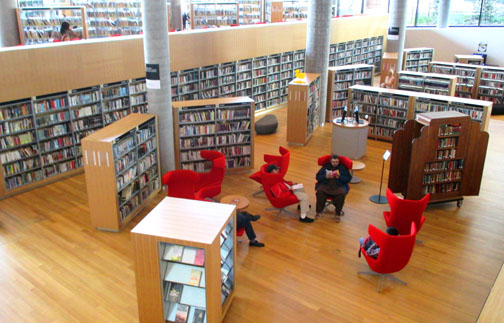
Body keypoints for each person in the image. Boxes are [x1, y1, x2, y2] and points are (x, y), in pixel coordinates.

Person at [315, 155, 352, 222]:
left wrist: (340, 177)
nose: (335, 163)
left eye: (336, 162)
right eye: (333, 162)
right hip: (326, 184)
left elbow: (348, 179)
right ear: (330, 161)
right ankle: (319, 211)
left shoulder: (343, 168)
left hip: (338, 186)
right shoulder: (326, 166)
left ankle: (337, 214)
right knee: (320, 191)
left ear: (339, 161)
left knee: (341, 194)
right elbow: (318, 177)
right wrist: (325, 176)